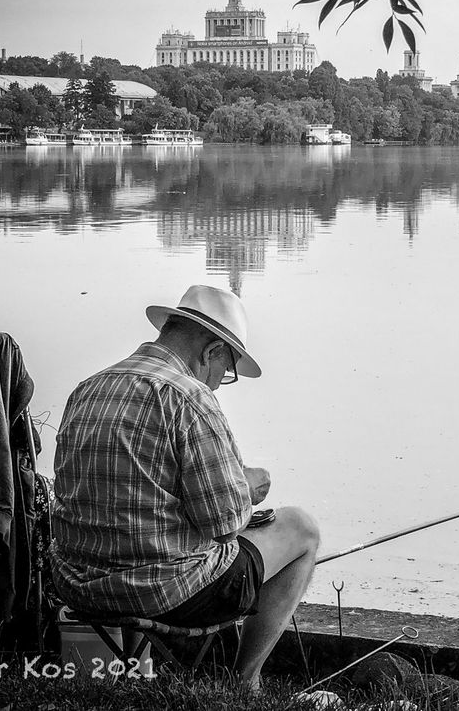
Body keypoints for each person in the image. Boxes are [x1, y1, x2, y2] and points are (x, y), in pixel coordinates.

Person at [50, 285, 319, 687]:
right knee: (301, 527)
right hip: (163, 594)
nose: (218, 382)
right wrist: (245, 486)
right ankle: (246, 680)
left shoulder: (89, 387)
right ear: (211, 351)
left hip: (77, 585)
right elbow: (224, 524)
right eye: (225, 371)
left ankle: (137, 668)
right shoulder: (191, 398)